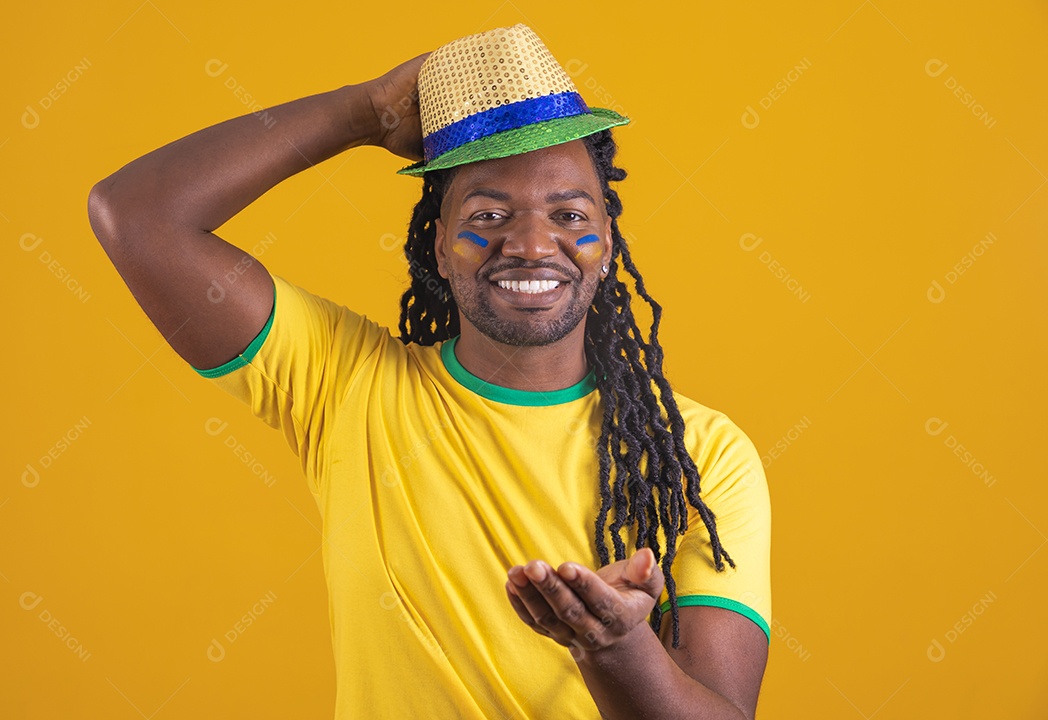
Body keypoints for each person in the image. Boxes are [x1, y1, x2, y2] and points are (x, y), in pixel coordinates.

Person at [87, 24, 771, 720]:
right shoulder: (343, 381)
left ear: (607, 243)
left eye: (569, 214)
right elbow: (136, 216)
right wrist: (362, 113)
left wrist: (617, 649)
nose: (533, 243)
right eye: (489, 214)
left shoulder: (703, 455)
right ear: (440, 248)